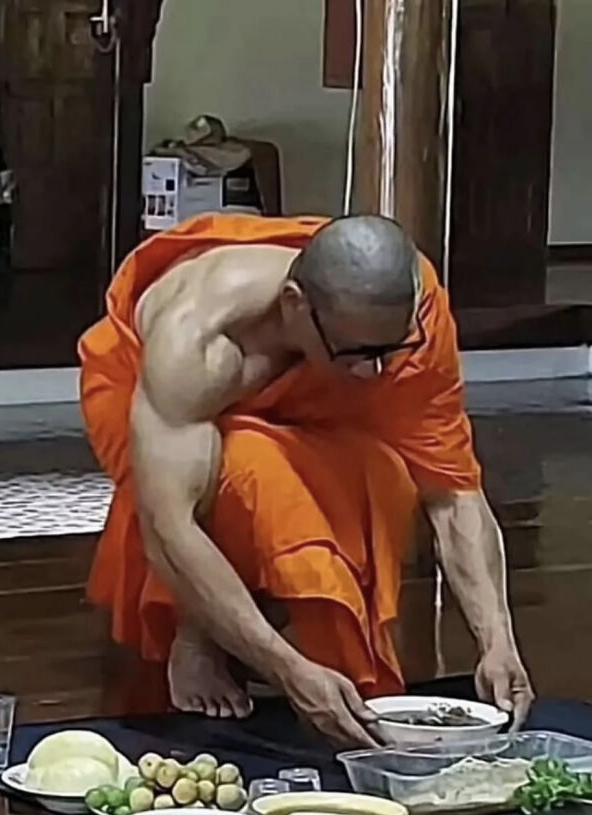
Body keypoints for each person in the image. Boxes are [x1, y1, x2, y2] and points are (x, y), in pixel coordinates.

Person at [79, 213, 534, 745]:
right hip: (152, 389)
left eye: (392, 351)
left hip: (308, 382)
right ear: (296, 304)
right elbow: (170, 528)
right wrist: (287, 670)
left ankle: (234, 633)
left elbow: (453, 490)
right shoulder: (196, 339)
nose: (376, 376)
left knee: (378, 475)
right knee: (249, 474)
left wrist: (498, 641)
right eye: (359, 353)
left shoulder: (413, 316)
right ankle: (199, 636)